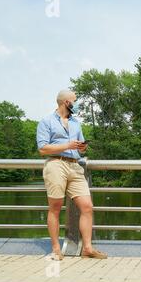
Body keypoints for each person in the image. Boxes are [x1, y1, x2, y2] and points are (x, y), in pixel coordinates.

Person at [37, 89, 107, 260]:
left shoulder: (76, 123)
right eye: (74, 101)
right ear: (66, 102)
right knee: (55, 207)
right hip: (56, 164)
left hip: (75, 166)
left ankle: (87, 249)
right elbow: (43, 148)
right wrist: (67, 145)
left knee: (87, 206)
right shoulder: (46, 121)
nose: (77, 104)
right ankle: (56, 250)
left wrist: (82, 147)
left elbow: (79, 145)